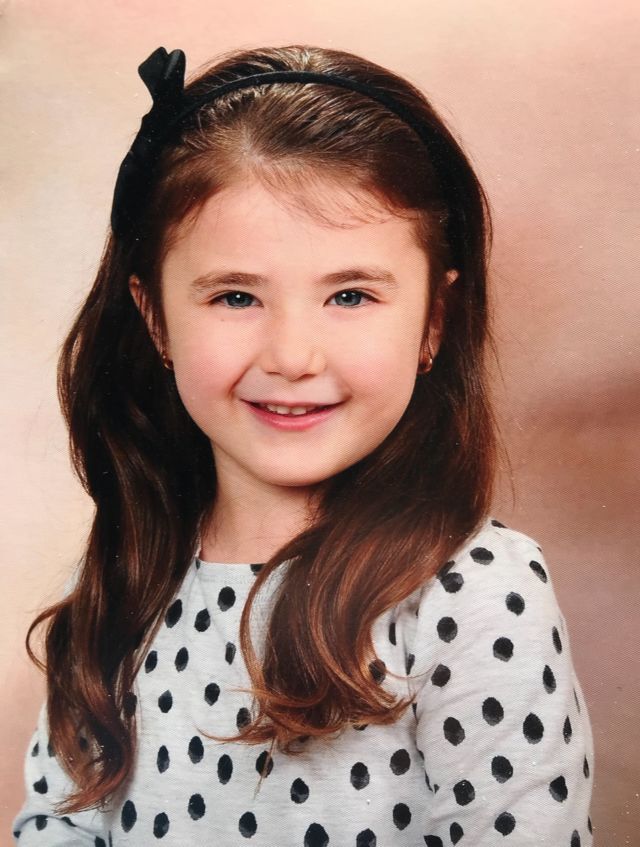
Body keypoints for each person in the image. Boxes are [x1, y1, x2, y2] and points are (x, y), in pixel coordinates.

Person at [12, 44, 594, 846]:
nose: (292, 356)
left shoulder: (475, 594)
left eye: (350, 295)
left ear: (433, 321)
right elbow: (59, 824)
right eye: (236, 296)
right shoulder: (120, 580)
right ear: (156, 320)